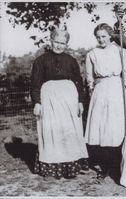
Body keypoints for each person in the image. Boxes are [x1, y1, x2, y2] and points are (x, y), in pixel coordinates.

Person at [31, 28, 88, 179]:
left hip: (69, 98)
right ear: (51, 41)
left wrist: (80, 101)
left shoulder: (71, 61)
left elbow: (79, 82)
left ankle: (70, 168)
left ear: (67, 44)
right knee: (51, 130)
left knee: (69, 130)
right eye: (57, 42)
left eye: (63, 43)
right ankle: (51, 168)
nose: (59, 46)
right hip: (49, 97)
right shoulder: (40, 60)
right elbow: (35, 84)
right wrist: (37, 102)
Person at [84, 23, 126, 180]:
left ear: (110, 35)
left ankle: (118, 165)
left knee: (116, 127)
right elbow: (89, 77)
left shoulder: (121, 52)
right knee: (102, 128)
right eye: (98, 37)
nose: (101, 39)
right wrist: (92, 89)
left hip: (117, 89)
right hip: (100, 90)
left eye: (104, 36)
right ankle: (104, 166)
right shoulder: (92, 54)